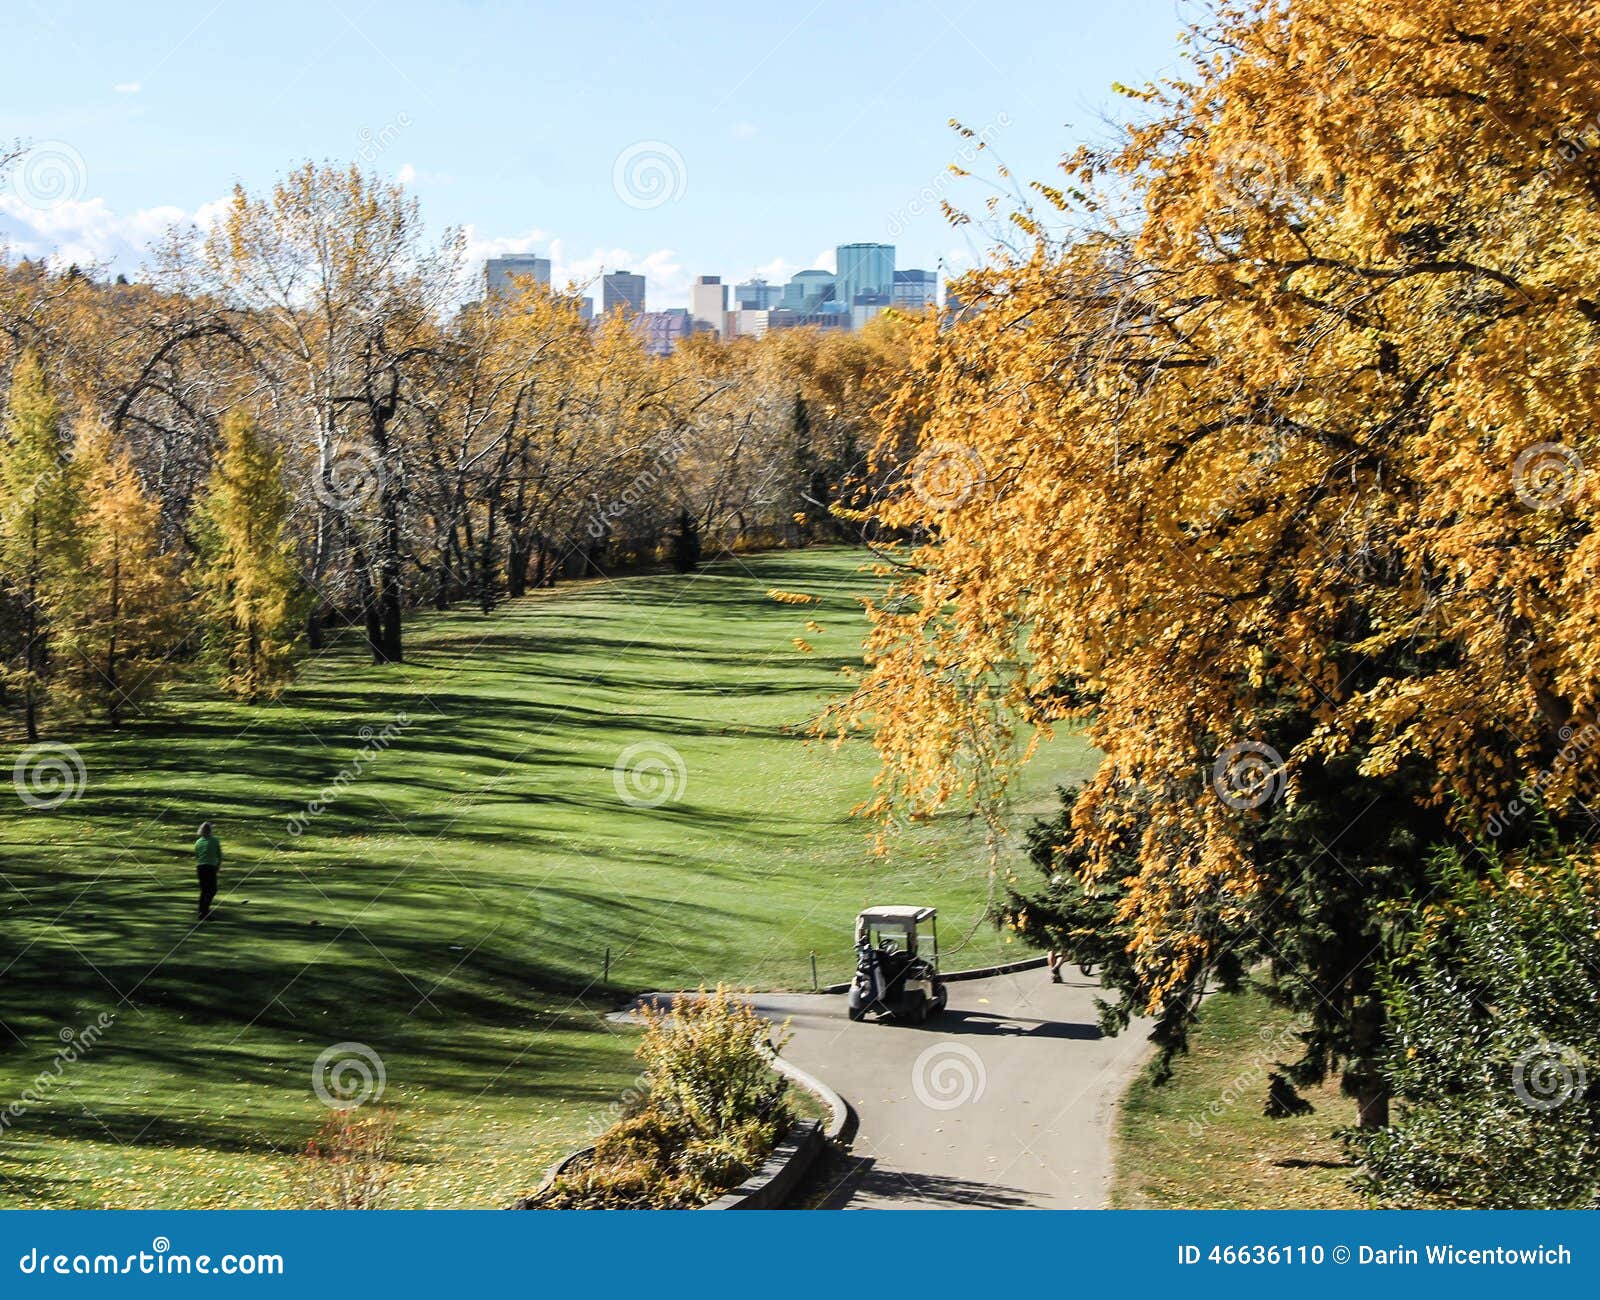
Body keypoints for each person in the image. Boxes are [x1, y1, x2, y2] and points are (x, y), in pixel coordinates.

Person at [194, 822, 222, 920]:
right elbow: (219, 855)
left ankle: (201, 911)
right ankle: (204, 912)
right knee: (212, 890)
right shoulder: (215, 840)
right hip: (210, 867)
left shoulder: (198, 842)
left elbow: (197, 855)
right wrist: (218, 866)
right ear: (210, 830)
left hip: (200, 867)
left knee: (204, 890)